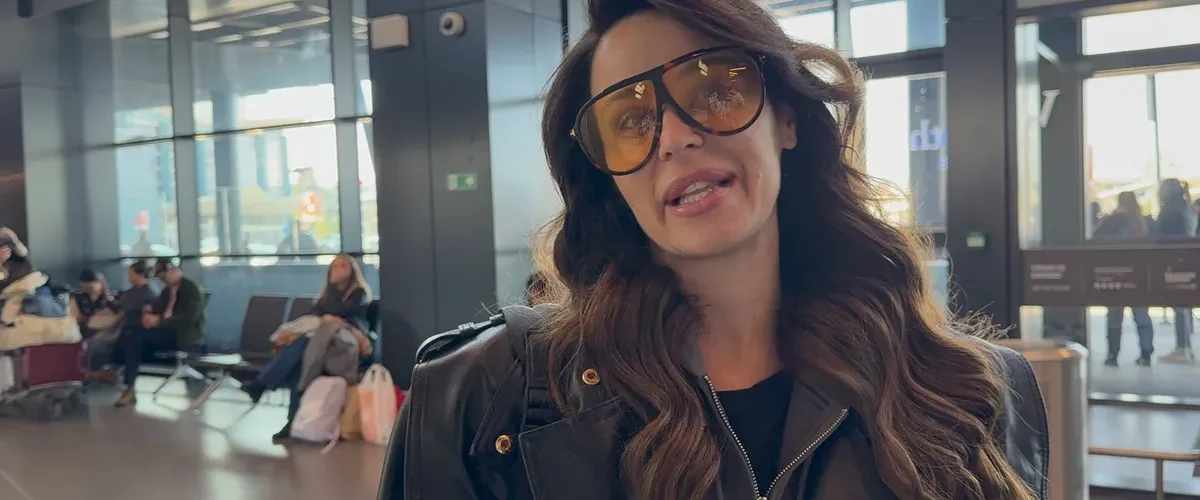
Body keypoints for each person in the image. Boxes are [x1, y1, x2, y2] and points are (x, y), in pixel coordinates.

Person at [383, 1, 1048, 499]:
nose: (675, 137)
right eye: (632, 119)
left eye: (716, 90)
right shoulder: (478, 397)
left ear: (785, 118)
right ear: (608, 180)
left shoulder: (971, 392)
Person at [240, 254, 373, 442]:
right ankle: (291, 422)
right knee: (300, 361)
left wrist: (330, 319)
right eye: (335, 266)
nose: (338, 269)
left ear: (352, 271)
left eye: (343, 266)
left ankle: (262, 385)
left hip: (341, 351)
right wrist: (326, 317)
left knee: (303, 348)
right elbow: (315, 318)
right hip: (318, 350)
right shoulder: (325, 296)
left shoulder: (359, 294)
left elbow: (350, 319)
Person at [113, 258, 206, 408]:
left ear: (173, 270)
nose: (163, 281)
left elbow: (188, 318)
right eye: (160, 278)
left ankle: (123, 378)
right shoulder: (167, 291)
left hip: (184, 334)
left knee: (134, 337)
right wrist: (149, 312)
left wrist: (159, 321)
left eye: (163, 277)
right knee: (131, 331)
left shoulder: (191, 289)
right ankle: (126, 381)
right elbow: (159, 307)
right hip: (166, 332)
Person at [1093, 192, 1154, 366]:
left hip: (1116, 273)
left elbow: (1095, 237)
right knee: (1141, 314)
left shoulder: (1112, 220)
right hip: (1140, 275)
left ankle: (1113, 354)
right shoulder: (1143, 221)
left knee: (1114, 315)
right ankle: (1146, 353)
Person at [89, 261, 162, 383]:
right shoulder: (132, 292)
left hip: (135, 333)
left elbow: (121, 308)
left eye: (130, 274)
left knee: (98, 343)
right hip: (124, 330)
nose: (128, 277)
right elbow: (116, 307)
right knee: (95, 340)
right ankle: (103, 372)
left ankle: (101, 372)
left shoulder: (148, 293)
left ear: (140, 275)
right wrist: (105, 290)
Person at [1155, 179, 1195, 364]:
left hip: (1174, 261)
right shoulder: (1185, 209)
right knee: (1183, 306)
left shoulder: (1171, 213)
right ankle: (1185, 347)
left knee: (1179, 305)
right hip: (1185, 260)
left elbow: (1163, 237)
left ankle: (1181, 349)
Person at [0, 226, 32, 291]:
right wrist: (1, 259)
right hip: (9, 289)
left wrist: (15, 240)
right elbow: (3, 276)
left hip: (28, 279)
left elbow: (24, 253)